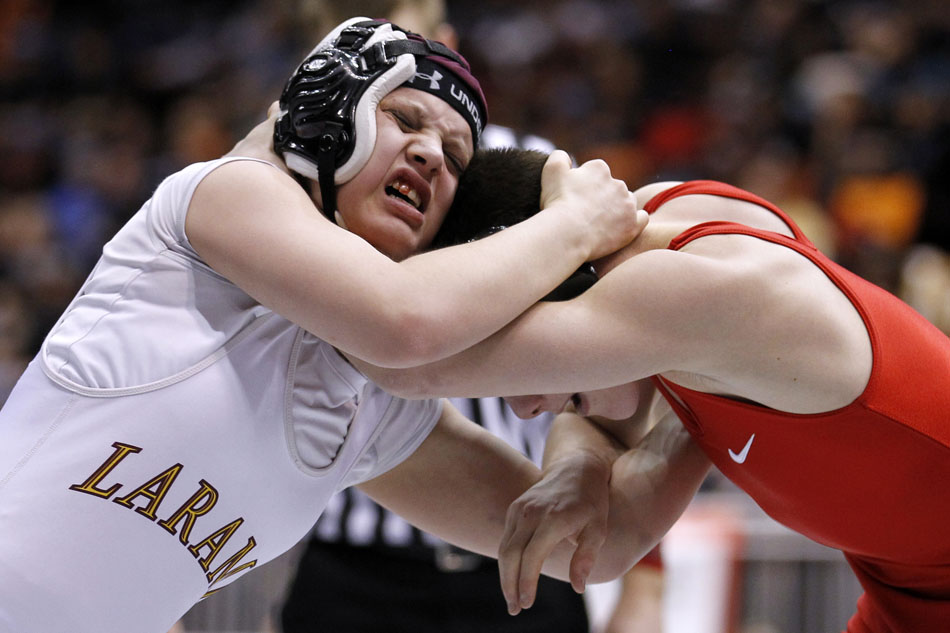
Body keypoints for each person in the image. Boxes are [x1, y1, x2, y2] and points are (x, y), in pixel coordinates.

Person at [0, 19, 649, 633]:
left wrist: (626, 441)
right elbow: (405, 320)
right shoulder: (226, 194)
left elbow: (596, 546)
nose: (430, 154)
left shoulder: (376, 409)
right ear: (331, 117)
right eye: (405, 119)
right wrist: (577, 223)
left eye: (454, 155)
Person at [356, 147, 950, 633]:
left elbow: (406, 354)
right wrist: (583, 463)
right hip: (907, 590)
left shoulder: (700, 295)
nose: (524, 406)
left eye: (527, 369)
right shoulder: (670, 229)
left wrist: (279, 233)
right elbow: (610, 509)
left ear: (566, 288)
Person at [277, 5, 664, 633]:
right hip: (358, 561)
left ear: (445, 45)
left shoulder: (538, 168)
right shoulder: (285, 188)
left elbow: (631, 365)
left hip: (518, 548)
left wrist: (645, 578)